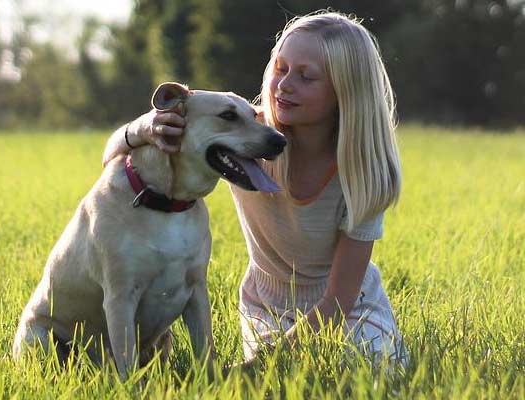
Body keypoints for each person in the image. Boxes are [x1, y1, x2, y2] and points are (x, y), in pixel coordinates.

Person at [102, 10, 407, 367]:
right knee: (284, 377)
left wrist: (254, 367)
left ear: (345, 91)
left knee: (363, 366)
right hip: (268, 306)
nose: (284, 84)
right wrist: (144, 128)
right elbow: (113, 154)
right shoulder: (241, 133)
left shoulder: (364, 171)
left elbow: (338, 300)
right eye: (281, 68)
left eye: (306, 77)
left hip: (350, 308)